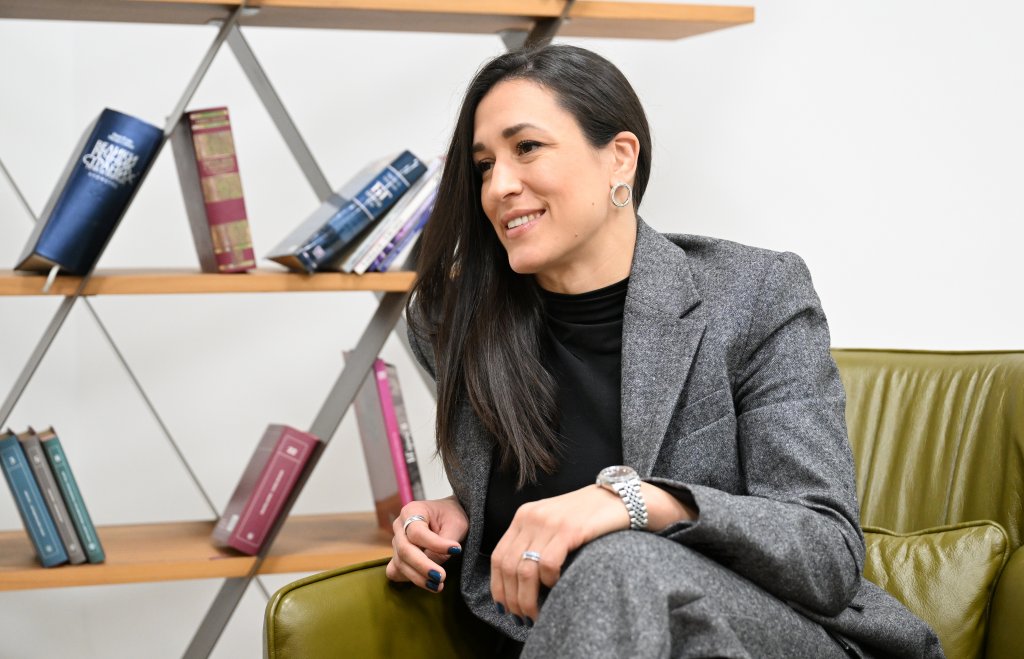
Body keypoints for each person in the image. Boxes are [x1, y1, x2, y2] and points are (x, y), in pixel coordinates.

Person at [386, 44, 942, 658]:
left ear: (620, 158)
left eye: (528, 148)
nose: (500, 186)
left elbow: (824, 550)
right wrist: (456, 515)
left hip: (765, 635)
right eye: (484, 165)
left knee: (621, 562)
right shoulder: (454, 325)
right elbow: (530, 486)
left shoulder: (754, 296)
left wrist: (634, 502)